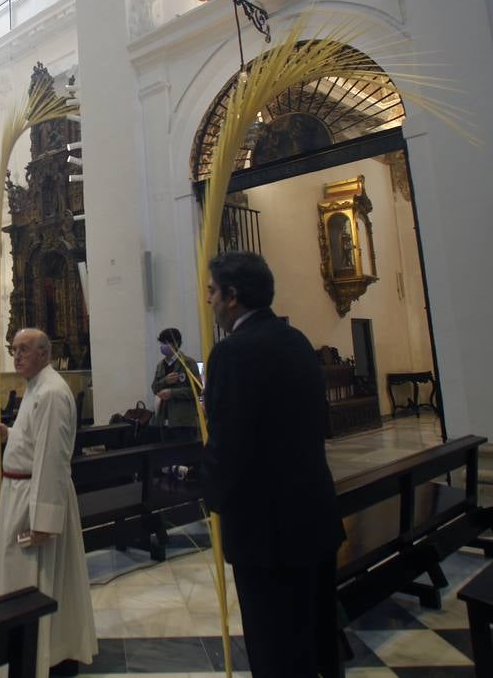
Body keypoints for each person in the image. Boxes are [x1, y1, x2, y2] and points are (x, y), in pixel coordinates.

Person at [202, 251, 344, 677]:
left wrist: (211, 494)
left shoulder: (231, 354)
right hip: (313, 512)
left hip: (266, 532)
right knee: (315, 638)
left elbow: (230, 441)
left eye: (212, 291)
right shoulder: (295, 340)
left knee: (274, 647)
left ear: (232, 296)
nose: (208, 300)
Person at [0, 328, 96, 677]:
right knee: (23, 577)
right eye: (13, 349)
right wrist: (11, 435)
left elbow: (51, 459)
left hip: (35, 501)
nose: (16, 355)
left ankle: (45, 653)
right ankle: (35, 650)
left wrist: (43, 522)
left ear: (43, 353)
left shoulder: (50, 392)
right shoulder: (37, 386)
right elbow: (37, 441)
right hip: (22, 493)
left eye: (23, 349)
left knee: (35, 581)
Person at [151, 327, 200, 441]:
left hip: (184, 422)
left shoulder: (188, 363)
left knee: (186, 456)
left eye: (165, 343)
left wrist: (172, 393)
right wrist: (165, 381)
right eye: (161, 343)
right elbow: (154, 388)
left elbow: (197, 390)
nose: (162, 346)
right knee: (166, 456)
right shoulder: (161, 365)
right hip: (163, 421)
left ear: (176, 343)